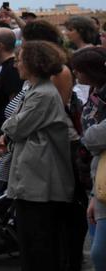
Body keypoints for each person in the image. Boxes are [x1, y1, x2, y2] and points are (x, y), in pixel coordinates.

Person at [3, 40, 75, 271]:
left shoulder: (42, 94)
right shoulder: (35, 91)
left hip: (39, 181)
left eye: (20, 59)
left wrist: (9, 126)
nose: (16, 64)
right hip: (32, 176)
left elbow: (15, 127)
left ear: (34, 63)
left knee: (39, 244)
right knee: (32, 243)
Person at [76, 47, 106, 270]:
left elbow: (94, 136)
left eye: (79, 69)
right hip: (97, 177)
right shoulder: (95, 93)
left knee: (99, 253)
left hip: (101, 170)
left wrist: (87, 137)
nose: (75, 73)